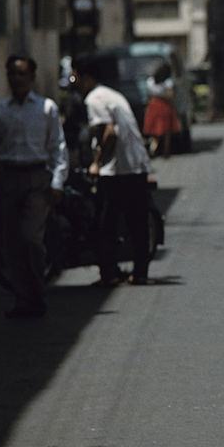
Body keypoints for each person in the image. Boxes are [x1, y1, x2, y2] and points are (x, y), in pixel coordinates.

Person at [0, 56, 68, 318]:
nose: (17, 79)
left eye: (22, 74)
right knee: (11, 243)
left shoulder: (46, 108)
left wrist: (58, 181)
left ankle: (37, 292)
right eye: (12, 74)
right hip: (8, 178)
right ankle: (23, 299)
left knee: (31, 239)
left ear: (31, 77)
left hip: (36, 178)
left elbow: (57, 147)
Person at [73, 58, 152, 287]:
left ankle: (109, 272)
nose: (74, 83)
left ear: (85, 77)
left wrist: (97, 163)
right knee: (136, 222)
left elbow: (109, 132)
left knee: (105, 222)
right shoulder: (111, 94)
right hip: (135, 164)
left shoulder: (95, 99)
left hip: (118, 169)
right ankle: (140, 272)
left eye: (74, 77)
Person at [143, 62, 182, 158]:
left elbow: (148, 96)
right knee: (166, 131)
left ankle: (153, 149)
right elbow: (171, 95)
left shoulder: (150, 81)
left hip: (153, 105)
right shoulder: (167, 82)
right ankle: (165, 151)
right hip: (164, 106)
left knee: (155, 131)